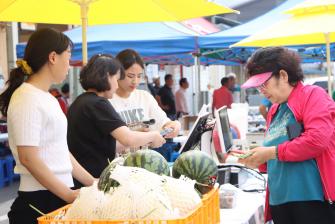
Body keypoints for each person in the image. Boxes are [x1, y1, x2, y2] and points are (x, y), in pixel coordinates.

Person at [0, 28, 95, 224]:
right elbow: (28, 158)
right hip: (41, 198)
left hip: (57, 194)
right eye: (68, 57)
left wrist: (93, 182)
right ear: (53, 57)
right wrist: (68, 195)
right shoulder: (27, 97)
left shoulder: (47, 98)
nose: (69, 65)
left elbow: (61, 152)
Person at [239, 47, 335, 224]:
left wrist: (271, 153)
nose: (261, 90)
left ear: (283, 75)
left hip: (312, 201)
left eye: (263, 83)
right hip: (279, 201)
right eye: (258, 86)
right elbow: (276, 157)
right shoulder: (274, 109)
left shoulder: (313, 96)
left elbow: (317, 140)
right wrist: (258, 159)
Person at [67, 54, 166, 188]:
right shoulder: (98, 103)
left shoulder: (82, 101)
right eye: (116, 78)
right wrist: (153, 135)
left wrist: (143, 138)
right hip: (93, 180)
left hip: (83, 179)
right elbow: (128, 139)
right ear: (107, 77)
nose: (116, 85)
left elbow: (107, 144)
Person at [109, 49, 180, 137]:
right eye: (130, 76)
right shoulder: (107, 100)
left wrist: (173, 125)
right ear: (117, 73)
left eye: (139, 76)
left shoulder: (145, 97)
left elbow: (164, 122)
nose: (135, 81)